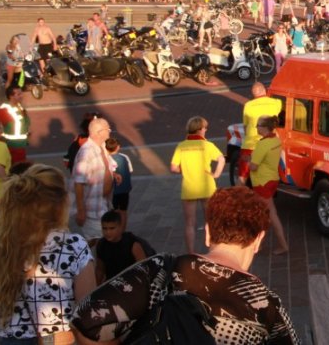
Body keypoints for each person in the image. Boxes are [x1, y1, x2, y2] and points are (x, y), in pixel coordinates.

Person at [72, 187, 301, 344]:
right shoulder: (267, 306)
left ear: (208, 233)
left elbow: (84, 319)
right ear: (259, 239)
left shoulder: (161, 269)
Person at [0, 165, 95, 344]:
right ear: (61, 204)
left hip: (8, 339)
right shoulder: (73, 246)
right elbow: (88, 310)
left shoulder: (3, 245)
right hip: (55, 340)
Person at [171, 116, 225, 254]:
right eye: (205, 128)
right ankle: (211, 247)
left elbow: (173, 168)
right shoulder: (207, 145)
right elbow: (221, 159)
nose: (206, 130)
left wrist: (185, 169)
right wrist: (216, 174)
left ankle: (191, 253)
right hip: (207, 186)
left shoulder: (181, 146)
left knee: (190, 223)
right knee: (210, 220)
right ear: (200, 129)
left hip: (189, 188)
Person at [71, 117, 116, 243]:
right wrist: (81, 211)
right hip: (92, 211)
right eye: (108, 130)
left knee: (105, 242)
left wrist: (114, 175)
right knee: (96, 242)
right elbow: (78, 182)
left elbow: (107, 165)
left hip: (103, 205)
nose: (110, 132)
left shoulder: (101, 146)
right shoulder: (86, 153)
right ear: (99, 132)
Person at [249, 115, 289, 254]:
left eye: (258, 125)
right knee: (267, 214)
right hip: (272, 179)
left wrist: (248, 161)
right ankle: (258, 244)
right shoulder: (276, 140)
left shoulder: (262, 144)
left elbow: (254, 167)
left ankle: (279, 245)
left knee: (268, 216)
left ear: (265, 127)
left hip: (261, 183)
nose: (256, 127)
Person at [94, 209, 147, 283]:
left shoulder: (132, 243)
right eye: (104, 228)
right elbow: (100, 269)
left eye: (112, 228)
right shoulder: (101, 245)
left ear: (120, 227)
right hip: (113, 284)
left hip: (133, 282)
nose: (108, 232)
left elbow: (144, 267)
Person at [0, 85, 31, 165]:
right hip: (12, 146)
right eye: (18, 94)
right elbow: (0, 127)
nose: (21, 96)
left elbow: (26, 123)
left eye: (21, 93)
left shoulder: (20, 106)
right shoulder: (4, 109)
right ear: (11, 96)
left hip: (20, 144)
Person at [106, 135, 133, 229]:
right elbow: (130, 170)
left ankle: (115, 228)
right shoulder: (124, 157)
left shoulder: (106, 159)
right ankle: (123, 229)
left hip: (113, 190)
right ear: (118, 147)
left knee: (113, 211)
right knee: (123, 211)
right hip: (125, 189)